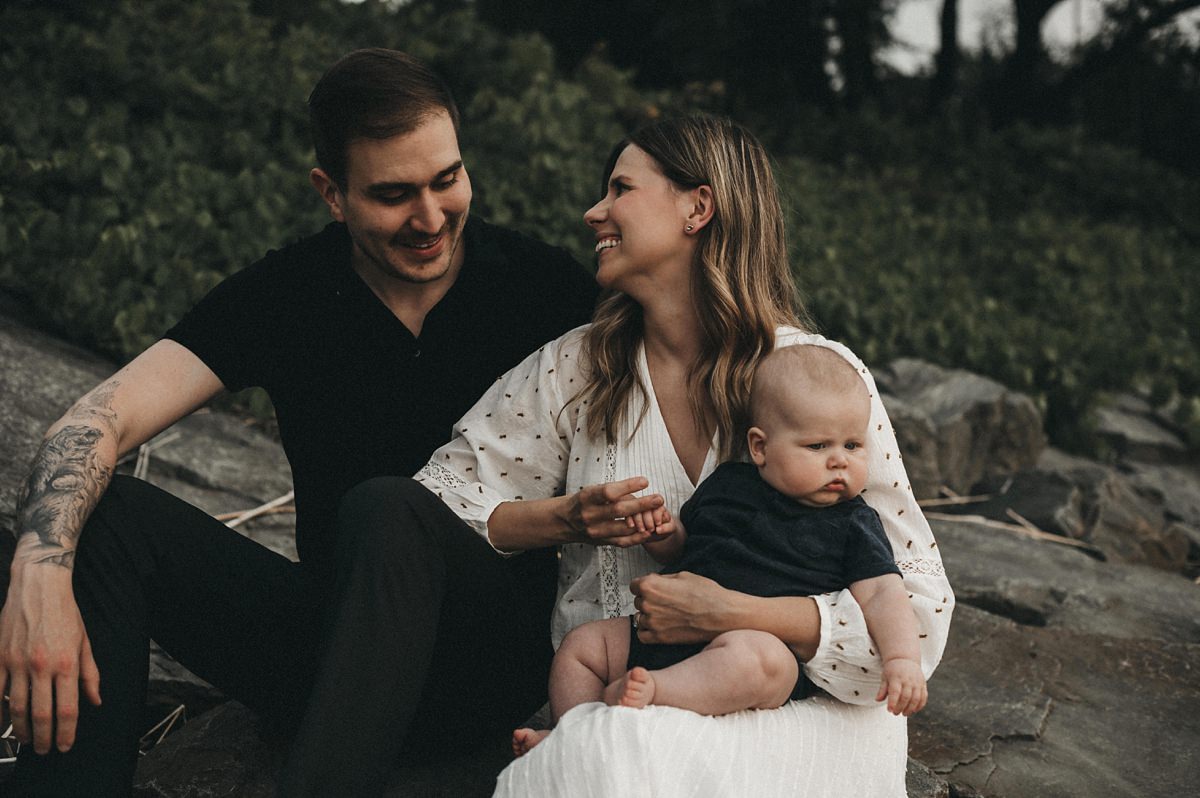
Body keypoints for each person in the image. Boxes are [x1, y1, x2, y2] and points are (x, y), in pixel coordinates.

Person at [0, 48, 598, 797]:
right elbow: (98, 418)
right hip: (333, 653)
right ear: (332, 194)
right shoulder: (287, 294)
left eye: (447, 179)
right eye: (392, 194)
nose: (430, 217)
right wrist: (37, 573)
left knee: (389, 507)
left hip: (484, 665)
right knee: (101, 515)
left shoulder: (544, 287)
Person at [414, 114, 953, 796]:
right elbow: (434, 504)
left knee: (622, 761)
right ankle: (584, 739)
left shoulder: (819, 379)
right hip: (620, 705)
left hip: (795, 716)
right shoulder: (576, 368)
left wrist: (734, 614)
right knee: (612, 754)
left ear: (698, 207)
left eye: (620, 188)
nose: (594, 211)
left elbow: (919, 611)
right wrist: (567, 518)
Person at [509, 343, 928, 754]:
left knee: (765, 662)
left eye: (852, 446)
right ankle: (569, 737)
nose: (840, 461)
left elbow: (882, 594)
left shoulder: (853, 522)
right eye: (818, 446)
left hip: (745, 648)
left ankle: (654, 694)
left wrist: (903, 660)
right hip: (663, 636)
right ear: (760, 447)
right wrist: (663, 534)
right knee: (583, 645)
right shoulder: (729, 485)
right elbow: (687, 552)